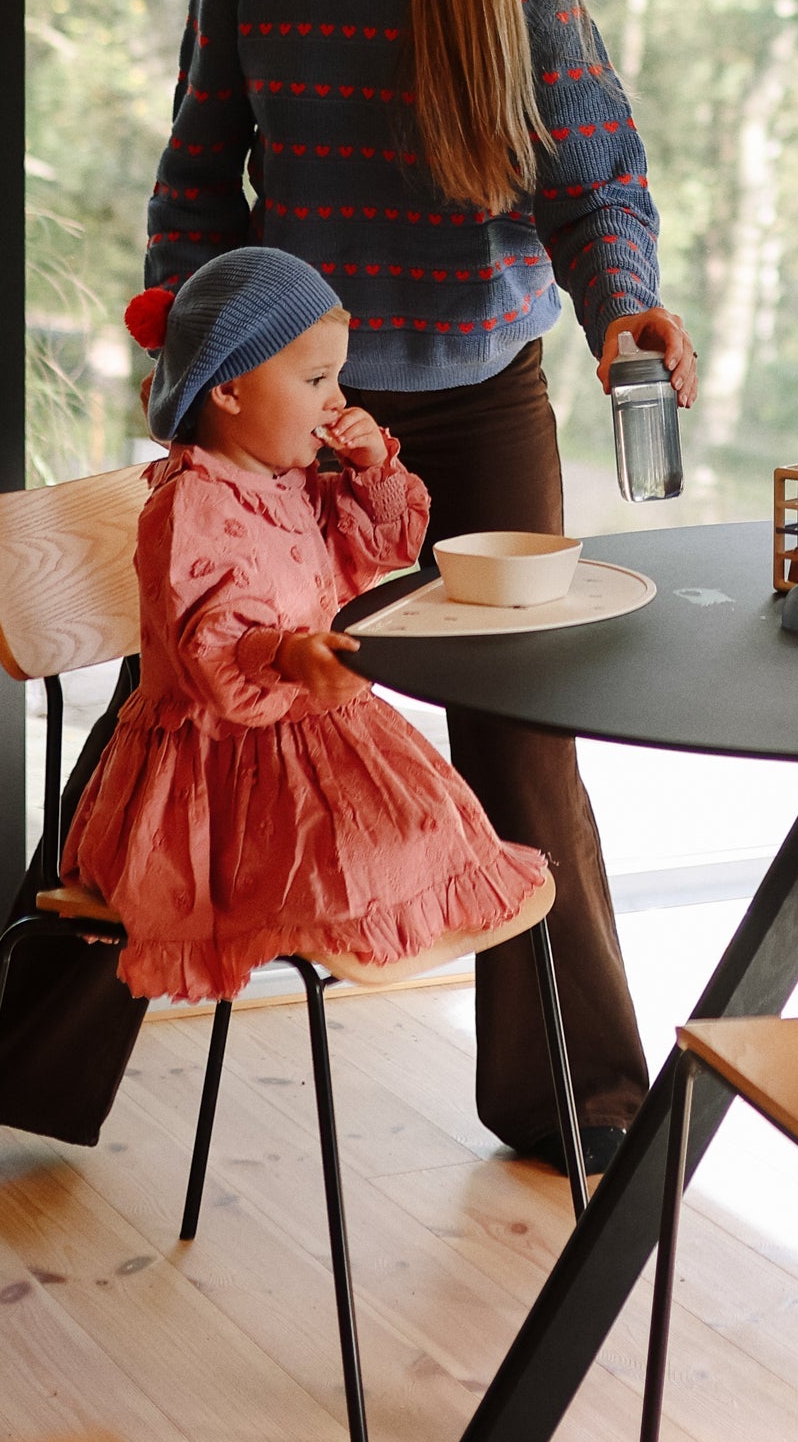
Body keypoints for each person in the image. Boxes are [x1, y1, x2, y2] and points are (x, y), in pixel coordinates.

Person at [0, 0, 684, 1184]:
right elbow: (196, 183)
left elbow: (597, 184)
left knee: (523, 751)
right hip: (285, 427)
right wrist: (194, 379)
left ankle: (580, 1100)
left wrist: (624, 311)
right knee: (165, 723)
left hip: (481, 406)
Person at [63, 248, 548, 1001]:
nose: (336, 401)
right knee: (374, 856)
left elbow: (375, 548)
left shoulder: (289, 480)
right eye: (317, 379)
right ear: (228, 388)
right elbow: (213, 643)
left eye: (336, 378)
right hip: (223, 771)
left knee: (436, 829)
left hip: (316, 738)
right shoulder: (189, 504)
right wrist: (289, 657)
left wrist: (369, 469)